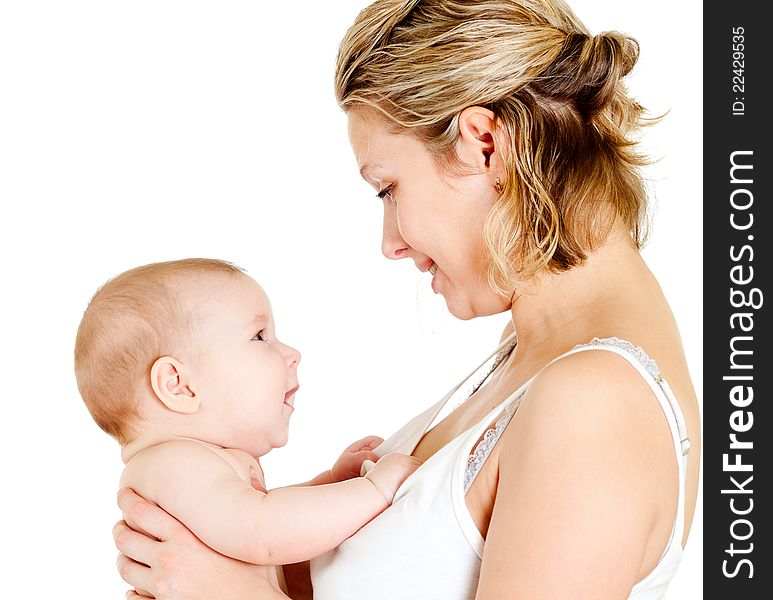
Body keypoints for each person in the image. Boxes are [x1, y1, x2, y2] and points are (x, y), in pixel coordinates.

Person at [112, 1, 701, 598]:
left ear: (486, 144)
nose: (391, 243)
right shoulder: (531, 354)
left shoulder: (595, 402)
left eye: (389, 189)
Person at [74, 258, 420, 599]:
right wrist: (375, 490)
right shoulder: (173, 465)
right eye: (259, 336)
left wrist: (329, 483)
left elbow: (255, 522)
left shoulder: (187, 465)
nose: (292, 353)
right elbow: (263, 532)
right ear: (179, 386)